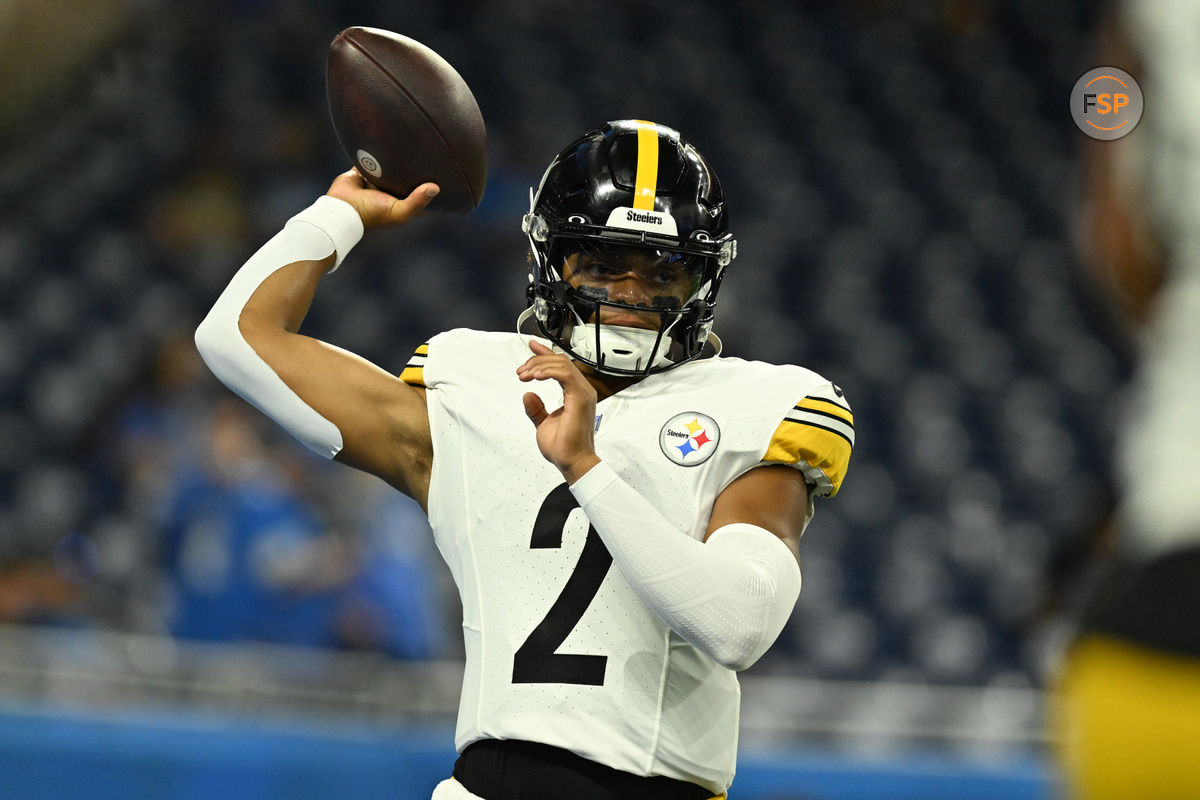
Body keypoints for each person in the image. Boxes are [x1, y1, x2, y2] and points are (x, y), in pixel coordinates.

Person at [195, 120, 853, 799]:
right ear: (551, 263)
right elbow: (234, 338)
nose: (630, 295)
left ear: (703, 279)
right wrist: (338, 216)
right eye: (601, 265)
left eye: (663, 271)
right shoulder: (475, 382)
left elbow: (738, 625)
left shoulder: (758, 401)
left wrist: (587, 469)